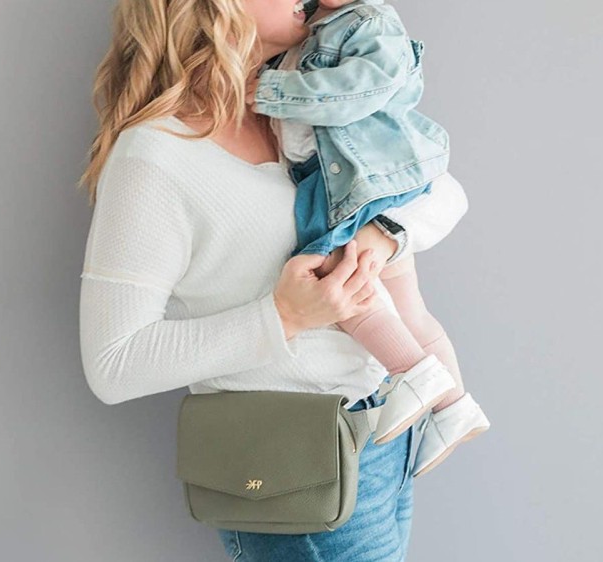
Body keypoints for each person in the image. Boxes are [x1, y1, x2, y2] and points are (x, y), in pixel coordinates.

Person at [77, 0, 468, 559]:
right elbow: (113, 365)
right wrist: (285, 316)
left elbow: (442, 188)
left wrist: (382, 232)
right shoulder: (156, 156)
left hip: (385, 435)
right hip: (297, 465)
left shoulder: (308, 106)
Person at [247, 0, 490, 466]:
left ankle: (413, 372)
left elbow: (360, 91)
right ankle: (455, 409)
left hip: (355, 180)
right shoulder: (315, 23)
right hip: (355, 180)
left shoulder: (370, 24)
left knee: (333, 275)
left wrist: (268, 92)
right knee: (408, 308)